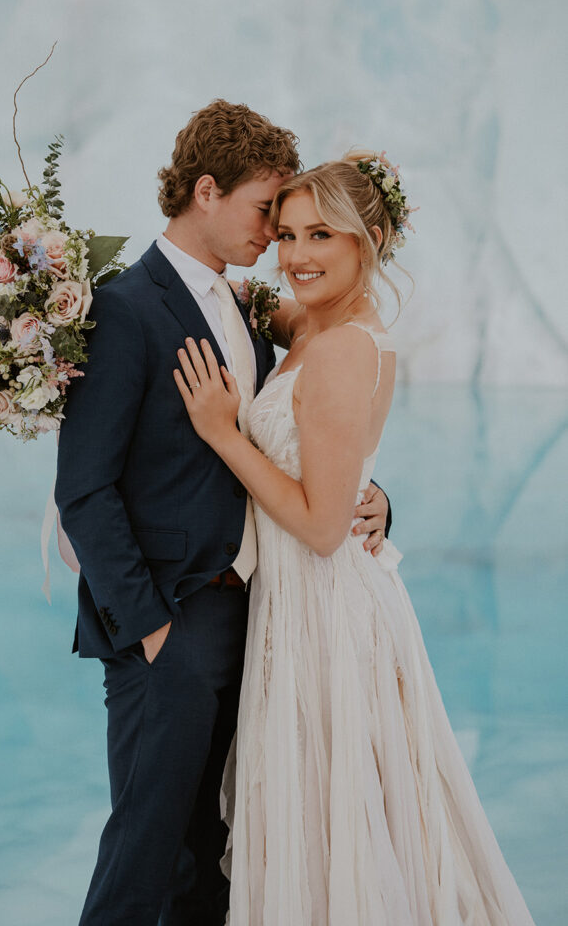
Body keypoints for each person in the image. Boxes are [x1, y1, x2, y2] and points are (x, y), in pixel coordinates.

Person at [175, 154, 536, 925]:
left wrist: (222, 434)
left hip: (325, 612)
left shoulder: (340, 347)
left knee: (338, 817)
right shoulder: (314, 324)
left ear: (368, 240)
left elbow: (317, 524)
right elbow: (217, 293)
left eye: (322, 236)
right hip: (309, 604)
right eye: (287, 233)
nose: (297, 254)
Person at [54, 102, 391, 926]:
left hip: (263, 623)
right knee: (144, 856)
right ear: (205, 191)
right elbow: (83, 491)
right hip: (170, 621)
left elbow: (305, 434)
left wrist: (374, 502)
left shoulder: (246, 310)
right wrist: (149, 630)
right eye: (264, 212)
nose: (275, 237)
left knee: (216, 862)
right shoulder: (125, 308)